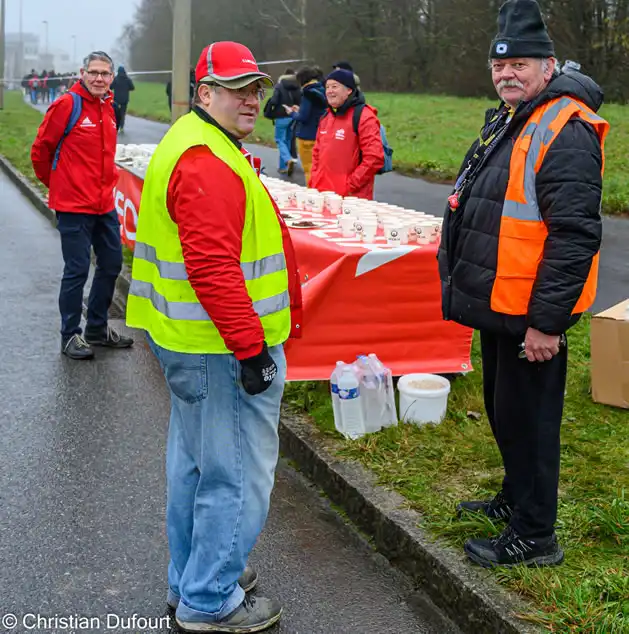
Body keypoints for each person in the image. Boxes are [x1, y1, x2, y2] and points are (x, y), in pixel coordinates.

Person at [126, 40, 302, 633]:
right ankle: (210, 599)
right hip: (220, 349)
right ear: (205, 94)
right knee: (235, 474)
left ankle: (193, 577)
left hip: (191, 343)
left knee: (195, 467)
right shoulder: (206, 160)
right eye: (236, 89)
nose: (251, 99)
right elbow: (212, 266)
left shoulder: (195, 142)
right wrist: (252, 350)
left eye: (255, 88)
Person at [439, 0, 608, 568]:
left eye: (520, 64)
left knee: (532, 424)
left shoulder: (566, 127)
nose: (506, 73)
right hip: (501, 302)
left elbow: (574, 237)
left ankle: (535, 535)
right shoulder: (516, 116)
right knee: (503, 410)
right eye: (499, 64)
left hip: (532, 312)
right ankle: (514, 499)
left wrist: (546, 322)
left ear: (548, 65)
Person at [31, 51, 134, 360]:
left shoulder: (109, 107)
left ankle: (97, 329)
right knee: (77, 270)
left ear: (111, 77)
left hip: (104, 204)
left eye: (105, 73)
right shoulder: (67, 105)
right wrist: (61, 187)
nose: (99, 78)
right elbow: (41, 151)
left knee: (112, 264)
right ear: (82, 73)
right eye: (94, 72)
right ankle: (69, 335)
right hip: (74, 206)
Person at [310, 68, 384, 199]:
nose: (330, 91)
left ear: (349, 90)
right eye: (327, 87)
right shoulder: (326, 117)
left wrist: (349, 186)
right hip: (322, 195)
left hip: (351, 199)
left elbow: (374, 158)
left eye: (334, 86)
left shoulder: (364, 117)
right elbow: (317, 153)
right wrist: (314, 182)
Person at [283, 66, 326, 185]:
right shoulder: (321, 90)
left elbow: (303, 117)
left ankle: (312, 195)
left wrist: (292, 113)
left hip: (307, 137)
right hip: (320, 134)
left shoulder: (308, 93)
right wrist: (300, 110)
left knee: (309, 169)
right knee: (319, 169)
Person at [263, 68, 301, 175]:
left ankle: (287, 160)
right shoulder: (297, 86)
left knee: (280, 139)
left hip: (281, 116)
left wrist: (271, 108)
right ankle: (283, 166)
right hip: (293, 115)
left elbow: (274, 100)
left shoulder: (280, 85)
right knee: (288, 140)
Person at [111, 65, 135, 133]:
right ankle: (122, 127)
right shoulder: (128, 79)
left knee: (116, 113)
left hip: (116, 100)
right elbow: (132, 88)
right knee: (123, 113)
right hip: (125, 100)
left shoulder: (116, 79)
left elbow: (111, 87)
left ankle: (116, 126)